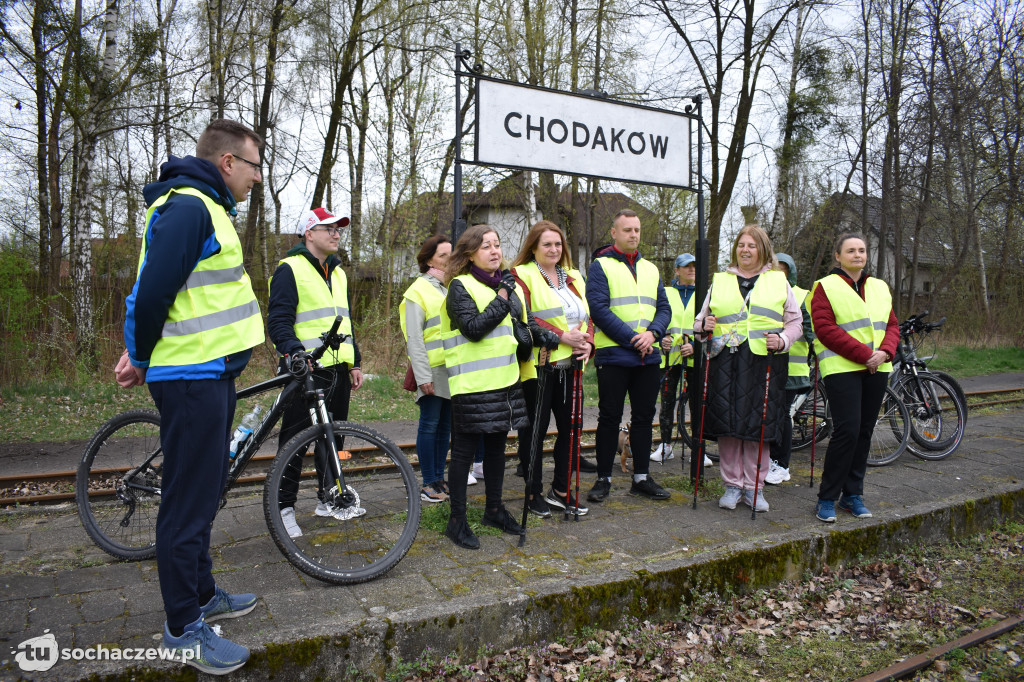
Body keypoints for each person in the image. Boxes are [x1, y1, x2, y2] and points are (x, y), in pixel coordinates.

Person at [121, 119, 264, 674]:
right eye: (253, 166)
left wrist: (141, 350)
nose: (257, 179)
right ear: (228, 162)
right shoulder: (190, 208)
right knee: (186, 501)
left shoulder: (209, 208)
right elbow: (153, 288)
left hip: (211, 375)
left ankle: (203, 594)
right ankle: (183, 627)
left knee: (206, 492)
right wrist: (139, 354)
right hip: (190, 379)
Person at [440, 224, 559, 549]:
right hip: (471, 384)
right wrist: (503, 296)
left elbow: (523, 321)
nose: (495, 251)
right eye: (486, 246)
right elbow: (474, 328)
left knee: (496, 450)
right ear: (469, 254)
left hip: (507, 383)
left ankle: (493, 509)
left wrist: (544, 335)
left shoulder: (507, 285)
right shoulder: (459, 287)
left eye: (497, 245)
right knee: (464, 453)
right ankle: (457, 521)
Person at [268, 207, 365, 539]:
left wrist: (355, 361)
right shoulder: (289, 269)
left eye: (339, 229)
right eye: (329, 228)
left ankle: (329, 498)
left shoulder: (338, 272)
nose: (337, 233)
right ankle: (282, 508)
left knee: (333, 437)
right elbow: (278, 321)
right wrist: (295, 352)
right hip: (304, 370)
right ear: (309, 233)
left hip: (338, 368)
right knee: (294, 442)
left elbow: (345, 319)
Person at [693, 225, 802, 513]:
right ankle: (732, 485)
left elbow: (796, 323)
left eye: (751, 245)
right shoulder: (721, 281)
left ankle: (755, 488)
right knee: (729, 426)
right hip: (725, 360)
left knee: (758, 426)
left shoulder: (779, 282)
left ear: (763, 249)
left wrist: (782, 340)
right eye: (741, 244)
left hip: (764, 362)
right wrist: (703, 327)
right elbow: (699, 323)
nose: (745, 250)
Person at [809, 232, 898, 522]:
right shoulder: (825, 286)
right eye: (850, 250)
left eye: (861, 250)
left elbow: (892, 324)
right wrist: (865, 355)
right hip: (843, 368)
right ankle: (826, 498)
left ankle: (852, 495)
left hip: (878, 367)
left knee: (864, 433)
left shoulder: (879, 286)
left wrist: (885, 352)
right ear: (838, 256)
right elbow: (824, 328)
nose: (857, 254)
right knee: (846, 431)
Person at [585, 209, 673, 503]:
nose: (634, 235)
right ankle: (603, 479)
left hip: (647, 356)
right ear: (614, 233)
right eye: (627, 230)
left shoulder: (651, 268)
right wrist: (635, 339)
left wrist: (653, 334)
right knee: (609, 417)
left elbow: (664, 308)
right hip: (614, 355)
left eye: (636, 230)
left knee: (645, 418)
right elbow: (599, 310)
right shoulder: (600, 266)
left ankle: (641, 477)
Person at [511, 220, 594, 518]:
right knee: (534, 431)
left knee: (571, 430)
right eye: (547, 244)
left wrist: (588, 343)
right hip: (540, 367)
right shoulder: (522, 275)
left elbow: (588, 316)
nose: (554, 249)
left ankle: (560, 490)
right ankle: (533, 491)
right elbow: (526, 317)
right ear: (533, 247)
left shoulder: (573, 277)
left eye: (558, 244)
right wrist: (562, 337)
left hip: (572, 367)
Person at [400, 234, 453, 504]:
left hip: (452, 368)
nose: (449, 259)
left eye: (451, 254)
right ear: (429, 258)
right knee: (430, 425)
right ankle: (428, 482)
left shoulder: (451, 286)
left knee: (445, 428)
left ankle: (439, 478)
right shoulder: (417, 290)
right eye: (443, 255)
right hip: (431, 369)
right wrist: (422, 376)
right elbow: (414, 338)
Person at [765, 252, 815, 485]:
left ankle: (782, 464)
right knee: (771, 415)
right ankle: (770, 460)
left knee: (782, 415)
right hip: (769, 367)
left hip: (792, 371)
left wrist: (784, 333)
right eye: (774, 268)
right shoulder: (765, 293)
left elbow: (809, 331)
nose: (778, 273)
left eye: (782, 269)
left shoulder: (802, 295)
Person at [651, 253, 696, 465]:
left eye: (694, 266)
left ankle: (698, 447)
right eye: (687, 267)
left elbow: (713, 324)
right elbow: (655, 319)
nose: (692, 270)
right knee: (667, 404)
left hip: (694, 358)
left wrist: (696, 345)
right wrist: (661, 339)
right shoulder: (666, 293)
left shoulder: (705, 293)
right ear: (677, 270)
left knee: (697, 405)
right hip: (669, 359)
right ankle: (666, 445)